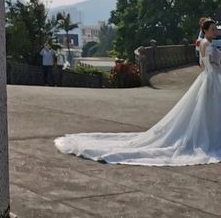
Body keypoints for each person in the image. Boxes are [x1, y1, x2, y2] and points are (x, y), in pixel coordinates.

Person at [55, 19, 221, 166]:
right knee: (209, 110)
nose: (215, 31)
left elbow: (202, 64)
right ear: (205, 31)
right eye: (213, 29)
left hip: (208, 77)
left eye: (215, 29)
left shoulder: (203, 44)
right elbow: (213, 64)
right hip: (212, 79)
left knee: (206, 111)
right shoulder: (208, 44)